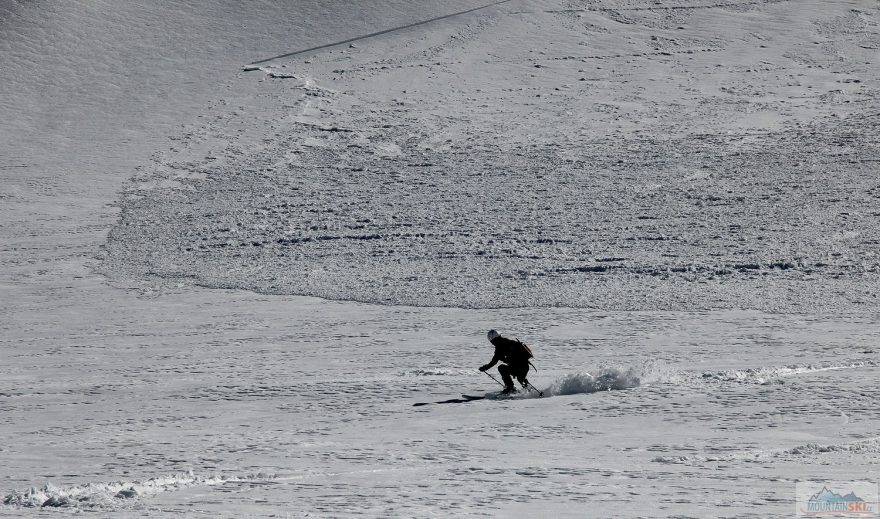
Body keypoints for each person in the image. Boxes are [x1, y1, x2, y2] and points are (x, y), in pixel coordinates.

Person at [479, 329, 532, 394]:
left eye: (491, 341)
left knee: (502, 368)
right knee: (520, 379)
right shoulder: (508, 342)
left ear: (493, 340)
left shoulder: (500, 347)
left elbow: (494, 361)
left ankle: (511, 388)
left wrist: (484, 368)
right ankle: (530, 391)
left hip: (518, 367)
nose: (492, 343)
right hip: (523, 366)